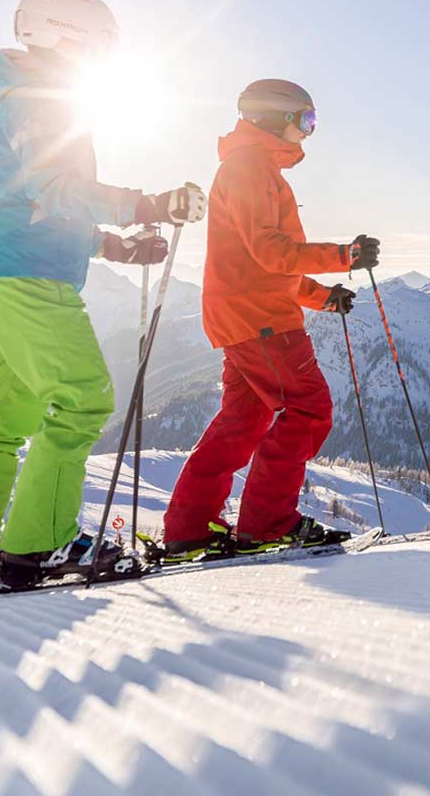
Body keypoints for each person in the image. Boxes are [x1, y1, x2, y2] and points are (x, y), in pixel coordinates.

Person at [0, 0, 207, 591]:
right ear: (63, 35)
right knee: (82, 400)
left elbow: (40, 202)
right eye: (100, 44)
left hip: (12, 268)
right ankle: (39, 547)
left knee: (8, 414)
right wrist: (145, 205)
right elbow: (54, 187)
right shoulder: (41, 99)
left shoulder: (34, 93)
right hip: (29, 277)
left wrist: (114, 246)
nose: (104, 57)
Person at [159, 79, 380, 560]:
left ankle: (189, 528)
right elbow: (269, 252)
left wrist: (323, 298)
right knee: (310, 409)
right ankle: (266, 523)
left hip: (246, 313)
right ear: (273, 116)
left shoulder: (252, 168)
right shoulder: (250, 167)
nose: (310, 132)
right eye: (306, 120)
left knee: (243, 420)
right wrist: (346, 254)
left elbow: (260, 265)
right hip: (262, 321)